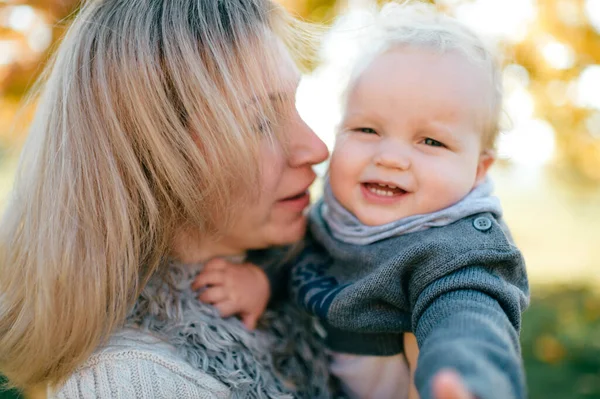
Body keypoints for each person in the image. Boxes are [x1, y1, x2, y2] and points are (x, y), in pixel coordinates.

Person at [0, 0, 337, 397]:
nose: (316, 148)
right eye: (261, 122)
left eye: (293, 106)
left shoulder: (319, 280)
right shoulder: (136, 382)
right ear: (158, 160)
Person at [195, 3, 530, 399]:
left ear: (478, 169)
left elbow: (470, 321)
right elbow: (308, 256)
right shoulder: (335, 216)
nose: (390, 157)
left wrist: (469, 379)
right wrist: (263, 279)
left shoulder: (456, 253)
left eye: (431, 141)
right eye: (367, 129)